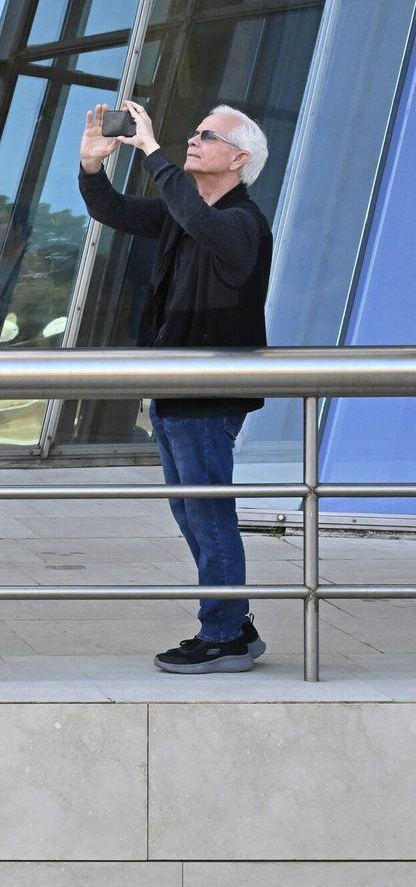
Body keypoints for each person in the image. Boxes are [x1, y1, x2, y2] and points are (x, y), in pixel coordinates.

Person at [79, 100, 274, 674]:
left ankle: (224, 633)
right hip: (171, 388)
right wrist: (92, 165)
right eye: (192, 131)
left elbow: (201, 222)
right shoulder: (180, 211)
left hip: (208, 394)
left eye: (206, 135)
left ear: (238, 158)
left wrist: (152, 151)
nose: (192, 139)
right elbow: (109, 209)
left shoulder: (242, 223)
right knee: (192, 514)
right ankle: (231, 621)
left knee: (208, 514)